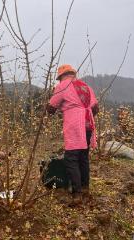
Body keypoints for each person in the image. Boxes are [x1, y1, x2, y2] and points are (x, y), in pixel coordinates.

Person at [48, 64, 99, 206]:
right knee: (83, 158)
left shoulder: (62, 86)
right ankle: (85, 188)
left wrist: (67, 111)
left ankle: (77, 194)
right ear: (73, 74)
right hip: (88, 124)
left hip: (75, 126)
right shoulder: (86, 86)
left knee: (71, 158)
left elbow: (51, 107)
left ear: (61, 77)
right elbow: (96, 108)